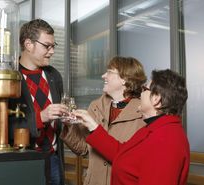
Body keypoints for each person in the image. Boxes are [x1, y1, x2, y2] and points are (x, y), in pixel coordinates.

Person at [74, 69, 190, 185]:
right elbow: (121, 153)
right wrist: (92, 125)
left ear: (156, 99)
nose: (140, 93)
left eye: (145, 90)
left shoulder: (166, 141)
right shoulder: (154, 129)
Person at [0, 19, 68, 185]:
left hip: (52, 160)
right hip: (21, 162)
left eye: (54, 46)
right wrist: (40, 118)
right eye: (47, 46)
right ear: (29, 44)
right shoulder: (7, 77)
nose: (52, 51)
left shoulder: (54, 75)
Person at [60, 56, 147, 185]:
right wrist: (69, 125)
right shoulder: (95, 106)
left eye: (110, 72)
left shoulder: (143, 113)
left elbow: (136, 160)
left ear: (125, 79)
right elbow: (83, 149)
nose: (103, 76)